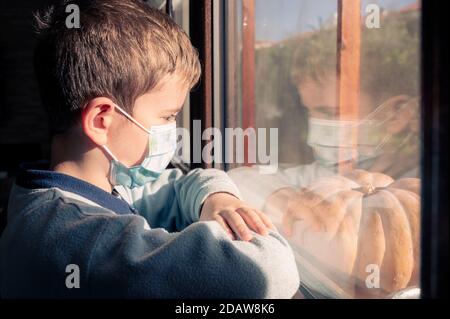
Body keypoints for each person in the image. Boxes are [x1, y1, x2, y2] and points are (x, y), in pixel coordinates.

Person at [0, 0, 299, 298]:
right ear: (102, 120)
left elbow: (176, 186)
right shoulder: (85, 242)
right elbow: (272, 271)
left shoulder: (62, 191)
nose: (174, 129)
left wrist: (218, 198)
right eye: (167, 116)